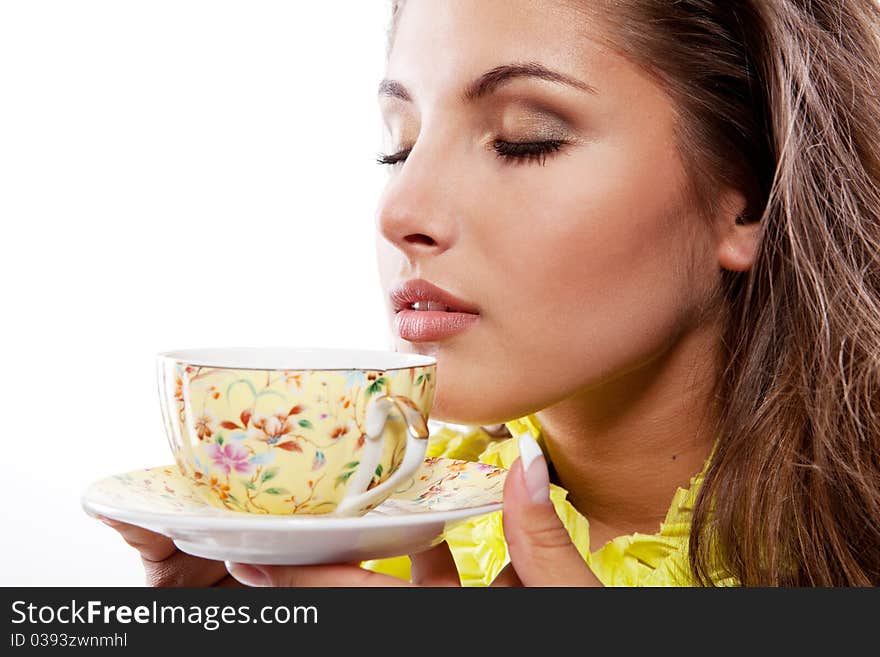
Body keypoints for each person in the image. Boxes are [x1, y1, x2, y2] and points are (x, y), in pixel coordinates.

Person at [100, 0, 880, 586]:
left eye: (525, 139)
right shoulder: (370, 549)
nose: (400, 212)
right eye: (396, 148)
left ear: (746, 196)